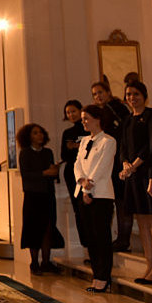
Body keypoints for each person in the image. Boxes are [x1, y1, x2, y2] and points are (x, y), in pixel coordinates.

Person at [119, 81, 152, 284]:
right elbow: (123, 147)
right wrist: (126, 164)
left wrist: (134, 165)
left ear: (144, 96)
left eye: (136, 94)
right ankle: (149, 263)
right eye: (128, 94)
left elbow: (150, 145)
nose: (132, 97)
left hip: (148, 172)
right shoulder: (127, 119)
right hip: (133, 175)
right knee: (142, 222)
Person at [75, 104, 117, 292]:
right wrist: (81, 180)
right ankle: (95, 274)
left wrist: (88, 187)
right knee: (90, 237)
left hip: (101, 194)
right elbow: (77, 164)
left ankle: (104, 276)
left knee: (102, 237)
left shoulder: (108, 141)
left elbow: (101, 168)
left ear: (97, 119)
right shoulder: (84, 141)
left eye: (86, 118)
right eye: (83, 118)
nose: (83, 121)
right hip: (84, 191)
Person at [18, 123, 65, 275]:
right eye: (35, 133)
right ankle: (34, 263)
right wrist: (45, 172)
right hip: (32, 196)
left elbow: (53, 173)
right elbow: (27, 175)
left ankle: (46, 262)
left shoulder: (48, 152)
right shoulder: (25, 153)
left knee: (48, 228)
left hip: (47, 195)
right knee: (33, 229)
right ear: (29, 137)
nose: (39, 136)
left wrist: (53, 171)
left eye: (41, 132)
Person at [92, 80, 132, 251]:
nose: (98, 96)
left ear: (108, 92)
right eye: (94, 94)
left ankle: (124, 239)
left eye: (100, 92)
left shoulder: (117, 108)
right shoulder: (99, 112)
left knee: (123, 202)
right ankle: (117, 237)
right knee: (115, 201)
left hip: (120, 160)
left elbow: (122, 132)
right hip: (108, 163)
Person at [60, 99, 89, 248]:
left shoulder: (89, 129)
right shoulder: (68, 132)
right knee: (78, 209)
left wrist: (77, 146)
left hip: (89, 172)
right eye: (68, 112)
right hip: (72, 173)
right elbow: (65, 155)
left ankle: (94, 244)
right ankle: (85, 244)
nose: (71, 114)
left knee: (89, 209)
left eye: (73, 111)